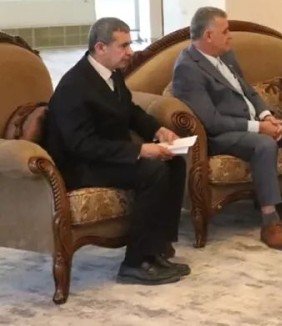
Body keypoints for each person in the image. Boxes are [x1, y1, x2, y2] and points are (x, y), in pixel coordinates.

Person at [171, 7, 282, 252]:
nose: (230, 35)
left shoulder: (226, 54)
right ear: (208, 35)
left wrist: (267, 116)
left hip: (253, 124)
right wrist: (259, 128)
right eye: (225, 31)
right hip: (220, 136)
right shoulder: (187, 68)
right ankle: (270, 222)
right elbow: (212, 121)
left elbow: (248, 91)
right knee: (264, 144)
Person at [43, 18, 189, 285]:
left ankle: (157, 248)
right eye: (123, 46)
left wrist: (158, 130)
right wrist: (140, 150)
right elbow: (82, 145)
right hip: (81, 166)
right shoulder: (74, 86)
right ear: (101, 47)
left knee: (174, 162)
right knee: (153, 170)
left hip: (108, 156)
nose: (130, 52)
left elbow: (130, 111)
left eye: (129, 44)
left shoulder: (112, 74)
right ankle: (134, 263)